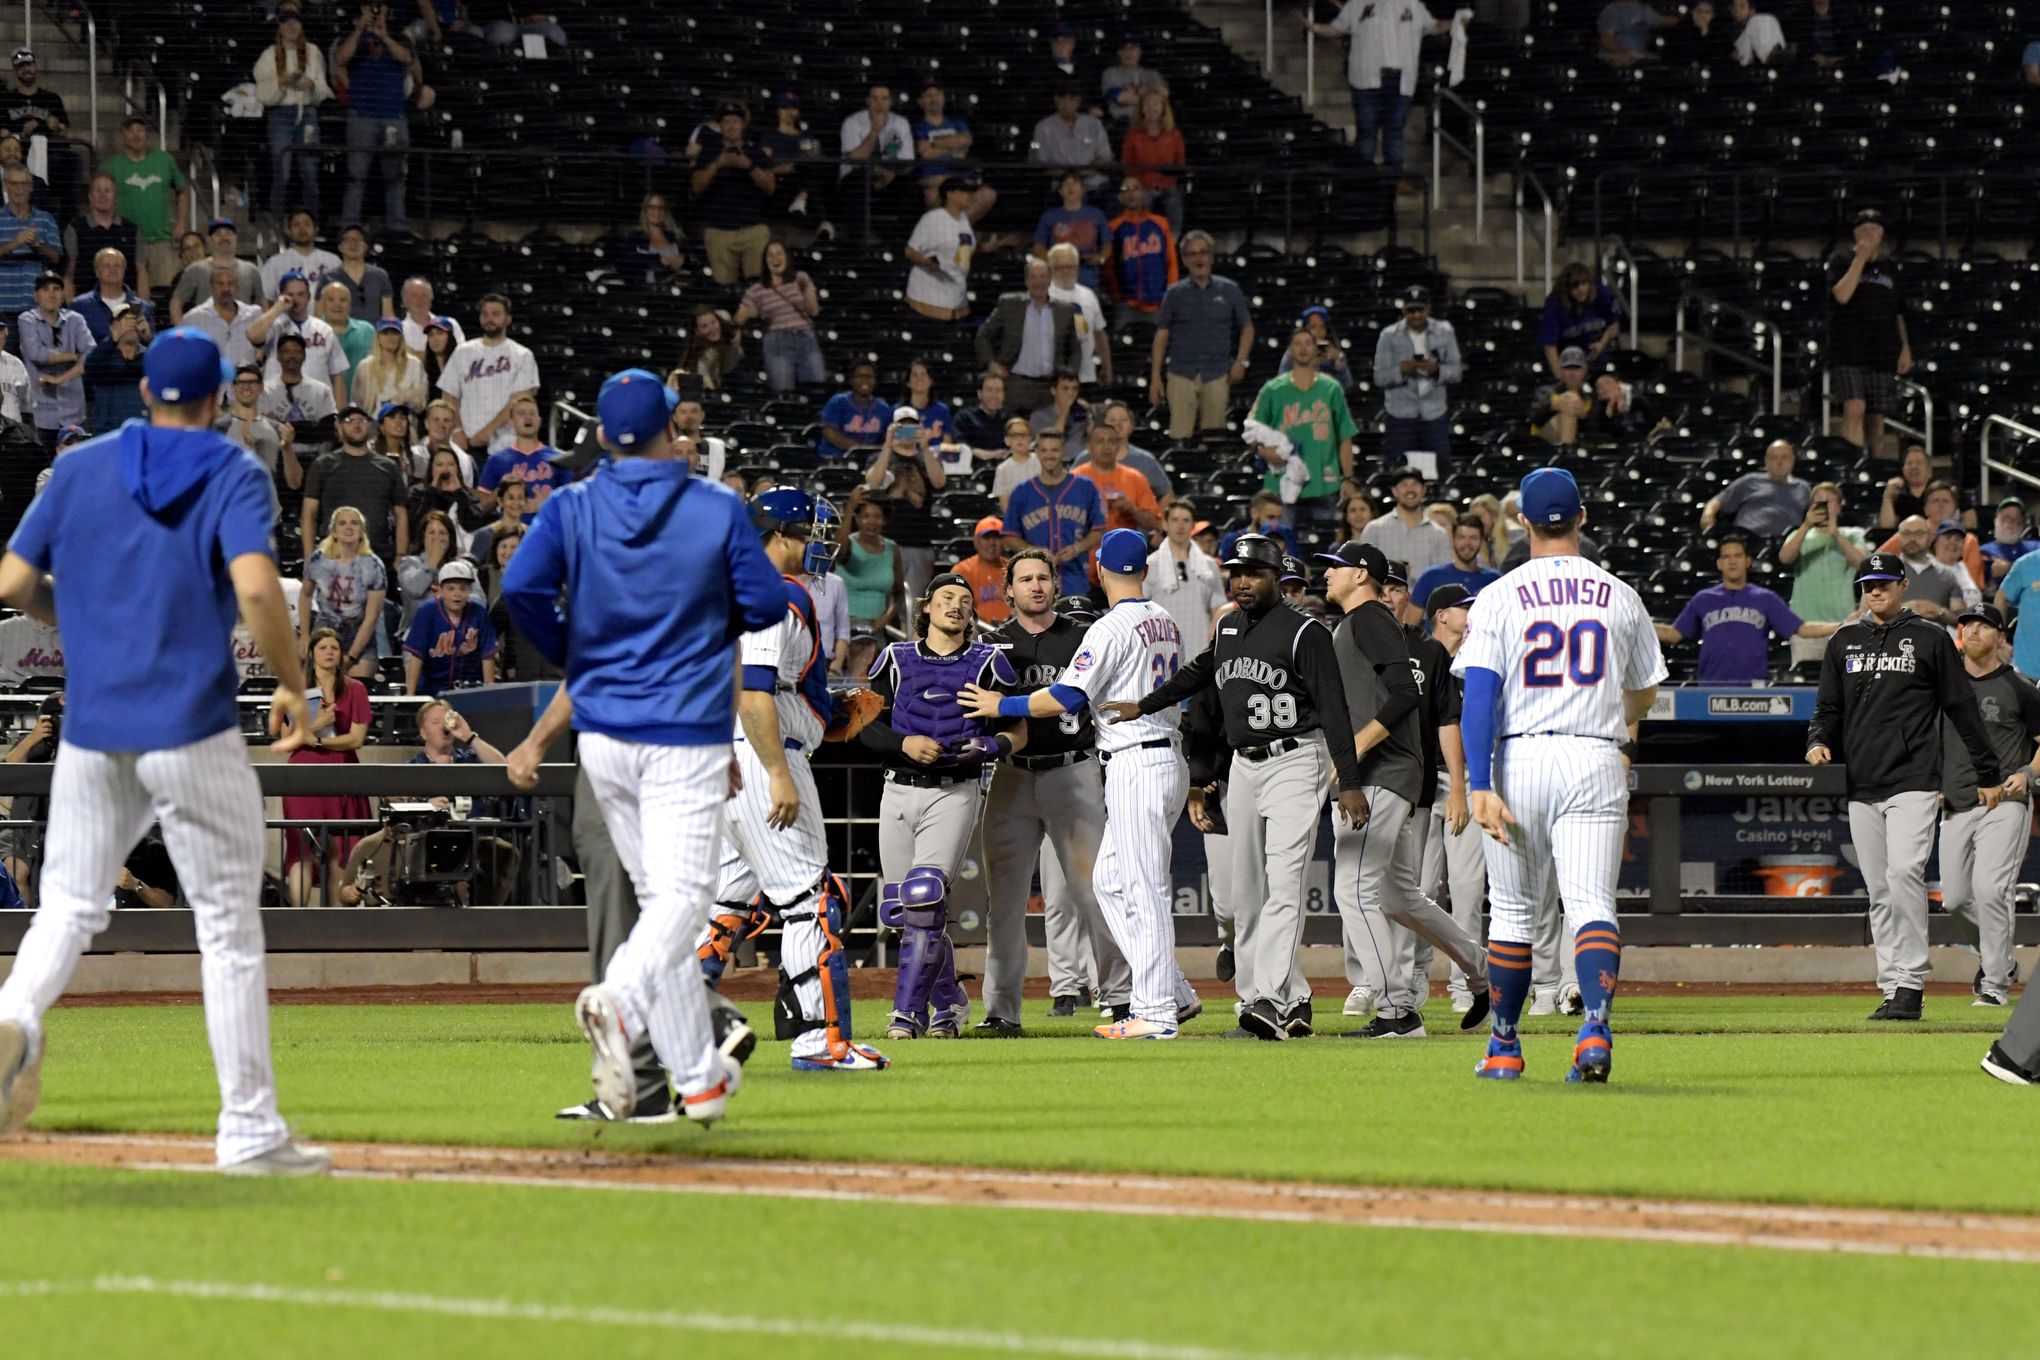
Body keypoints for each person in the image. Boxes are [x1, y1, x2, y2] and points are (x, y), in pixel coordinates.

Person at [0, 326, 327, 1173]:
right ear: (219, 400)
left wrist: (72, 615)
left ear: (144, 392)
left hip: (94, 728)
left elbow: (9, 583)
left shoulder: (76, 468)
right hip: (190, 725)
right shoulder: (233, 469)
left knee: (68, 905)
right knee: (225, 926)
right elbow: (257, 586)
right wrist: (293, 683)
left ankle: (17, 1017)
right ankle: (249, 1129)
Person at [499, 368, 783, 1124]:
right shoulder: (714, 505)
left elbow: (521, 590)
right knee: (685, 901)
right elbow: (763, 601)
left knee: (660, 902)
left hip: (603, 735)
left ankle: (696, 1077)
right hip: (682, 730)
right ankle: (620, 1006)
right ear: (673, 429)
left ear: (598, 437)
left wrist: (577, 653)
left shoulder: (571, 504)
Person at [1453, 468, 1665, 1081]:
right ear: (1582, 518)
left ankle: (1504, 1046)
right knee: (1592, 903)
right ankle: (1594, 1029)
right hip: (1595, 753)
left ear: (1521, 521)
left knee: (1515, 914)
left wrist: (1480, 783)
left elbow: (1479, 698)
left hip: (1519, 757)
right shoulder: (1619, 594)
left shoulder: (1499, 594)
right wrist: (1615, 723)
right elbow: (1644, 693)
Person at [967, 529, 1206, 1038]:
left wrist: (1002, 706)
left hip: (1137, 759)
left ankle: (1155, 1011)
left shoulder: (1109, 628)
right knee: (1108, 883)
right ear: (1143, 568)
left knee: (1142, 889)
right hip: (1154, 755)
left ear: (1098, 569)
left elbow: (1069, 697)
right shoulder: (1163, 618)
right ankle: (1174, 993)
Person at [1135, 534, 1369, 1039]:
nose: (1242, 581)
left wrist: (1348, 782)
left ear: (1276, 579)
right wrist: (1144, 705)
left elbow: (1334, 710)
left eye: (1254, 573)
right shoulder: (1228, 630)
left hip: (1295, 760)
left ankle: (1265, 999)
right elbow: (1198, 674)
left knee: (1284, 886)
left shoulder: (1306, 633)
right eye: (1235, 573)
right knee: (1245, 894)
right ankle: (1290, 997)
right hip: (1244, 766)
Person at [693, 489, 888, 1070]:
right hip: (759, 754)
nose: (816, 544)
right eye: (807, 533)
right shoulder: (772, 594)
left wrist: (821, 714)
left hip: (724, 753)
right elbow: (756, 692)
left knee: (729, 902)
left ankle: (661, 1015)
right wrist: (779, 771)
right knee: (811, 898)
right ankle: (820, 1043)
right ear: (779, 535)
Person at [1306, 539, 1493, 1038]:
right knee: (1398, 896)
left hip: (1383, 773)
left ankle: (1397, 1011)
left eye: (1336, 567)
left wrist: (1359, 751)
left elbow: (1406, 694)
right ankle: (1483, 972)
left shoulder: (1368, 617)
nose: (1326, 574)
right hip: (1391, 773)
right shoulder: (1357, 623)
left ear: (1362, 574)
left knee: (1354, 890)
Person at [1808, 551, 2002, 1021]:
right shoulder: (1845, 640)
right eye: (1867, 584)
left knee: (1903, 875)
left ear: (1902, 585)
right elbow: (1828, 707)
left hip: (1915, 777)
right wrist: (1817, 739)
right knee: (1878, 888)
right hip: (1862, 779)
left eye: (1883, 583)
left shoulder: (1930, 638)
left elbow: (1961, 706)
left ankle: (1911, 982)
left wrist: (1988, 770)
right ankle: (1891, 983)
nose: (1875, 591)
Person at [859, 574, 1025, 1039]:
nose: (957, 605)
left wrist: (989, 748)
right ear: (927, 607)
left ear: (972, 614)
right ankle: (949, 999)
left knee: (924, 897)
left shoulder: (989, 661)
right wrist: (904, 742)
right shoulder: (894, 658)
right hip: (898, 787)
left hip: (955, 788)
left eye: (966, 600)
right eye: (947, 598)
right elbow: (866, 726)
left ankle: (904, 1016)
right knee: (899, 912)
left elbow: (1019, 733)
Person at [977, 549, 1132, 1032]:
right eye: (1025, 579)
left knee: (1095, 892)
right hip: (1012, 774)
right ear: (1009, 591)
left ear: (1056, 586)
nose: (1036, 586)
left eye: (1043, 577)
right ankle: (1001, 1012)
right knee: (1003, 904)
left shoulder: (1084, 636)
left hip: (1073, 772)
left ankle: (1123, 998)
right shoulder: (993, 646)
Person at [1937, 605, 2040, 1010]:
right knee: (1955, 898)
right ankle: (2004, 960)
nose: (1973, 630)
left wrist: (2028, 775)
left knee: (1990, 889)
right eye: (1967, 625)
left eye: (1983, 625)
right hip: (1959, 802)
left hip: (2006, 802)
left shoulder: (2019, 687)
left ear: (2001, 637)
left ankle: (1994, 983)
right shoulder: (1945, 688)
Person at [1656, 535, 1841, 683]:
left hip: (1753, 689)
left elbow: (1801, 628)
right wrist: (1638, 624)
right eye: (1726, 557)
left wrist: (1839, 625)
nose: (1732, 561)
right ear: (1719, 564)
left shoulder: (1765, 598)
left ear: (1747, 561)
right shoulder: (1703, 599)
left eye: (1737, 556)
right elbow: (1673, 634)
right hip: (1711, 686)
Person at [279, 626, 372, 908]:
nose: (329, 652)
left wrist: (314, 740)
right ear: (311, 653)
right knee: (302, 850)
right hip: (303, 776)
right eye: (322, 647)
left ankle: (337, 925)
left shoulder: (355, 689)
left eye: (334, 648)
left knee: (340, 849)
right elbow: (286, 739)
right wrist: (316, 726)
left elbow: (356, 738)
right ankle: (298, 924)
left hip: (341, 772)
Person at [1303, 0, 1450, 177]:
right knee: (1366, 130)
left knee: (1394, 131)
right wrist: (1315, 27)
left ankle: (1392, 182)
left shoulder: (1412, 5)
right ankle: (1365, 182)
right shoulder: (1357, 4)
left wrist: (1455, 22)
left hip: (1401, 79)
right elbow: (1337, 28)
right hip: (1366, 79)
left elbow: (1433, 27)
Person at [1250, 328, 1357, 530]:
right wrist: (1264, 451)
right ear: (1290, 350)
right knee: (1281, 553)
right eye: (1297, 343)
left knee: (1326, 555)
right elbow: (1250, 432)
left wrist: (1348, 478)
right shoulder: (1272, 390)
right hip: (1281, 485)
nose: (1303, 348)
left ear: (1316, 349)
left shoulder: (1332, 389)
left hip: (1325, 484)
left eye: (1308, 343)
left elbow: (1345, 437)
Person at [1151, 231, 1254, 440]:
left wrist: (1241, 362)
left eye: (1203, 252)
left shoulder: (1230, 290)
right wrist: (1155, 377)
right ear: (1184, 259)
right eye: (1192, 254)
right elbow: (1161, 334)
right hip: (1181, 374)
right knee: (1179, 436)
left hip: (1217, 374)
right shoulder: (1174, 293)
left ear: (1211, 256)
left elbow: (1247, 327)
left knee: (1214, 437)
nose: (1199, 259)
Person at [1827, 207, 1910, 454]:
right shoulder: (1841, 261)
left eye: (1875, 229)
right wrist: (1859, 259)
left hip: (1882, 349)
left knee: (1877, 417)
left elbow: (1899, 311)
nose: (1870, 234)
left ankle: (1875, 467)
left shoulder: (1890, 268)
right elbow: (1841, 295)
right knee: (1854, 407)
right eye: (1864, 229)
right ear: (1855, 234)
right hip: (1848, 348)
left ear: (1882, 234)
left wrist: (1905, 347)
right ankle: (1852, 462)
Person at [334, 4, 414, 234]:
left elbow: (406, 58)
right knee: (356, 177)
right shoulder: (354, 38)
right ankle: (350, 227)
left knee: (395, 178)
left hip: (393, 116)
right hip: (362, 116)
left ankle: (397, 229)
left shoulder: (399, 37)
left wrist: (384, 35)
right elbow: (341, 58)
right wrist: (360, 30)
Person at [1002, 429, 1105, 601]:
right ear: (1037, 452)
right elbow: (1008, 537)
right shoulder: (1022, 492)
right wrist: (1035, 552)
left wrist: (1077, 548)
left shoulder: (1085, 487)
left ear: (1063, 452)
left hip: (1076, 580)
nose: (1049, 456)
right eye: (1044, 450)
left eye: (1054, 450)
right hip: (1035, 585)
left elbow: (1099, 530)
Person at [1779, 480, 1870, 665]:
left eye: (1828, 501)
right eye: (1818, 502)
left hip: (1843, 624)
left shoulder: (1852, 534)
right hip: (1805, 627)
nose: (1823, 506)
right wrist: (1805, 526)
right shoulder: (1799, 534)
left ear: (1838, 507)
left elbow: (1862, 564)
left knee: (1845, 685)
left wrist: (1835, 534)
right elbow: (1784, 558)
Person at [254, 2, 331, 217]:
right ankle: (277, 224)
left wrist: (312, 86)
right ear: (279, 26)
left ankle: (312, 222)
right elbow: (263, 95)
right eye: (285, 21)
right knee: (282, 173)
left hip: (307, 114)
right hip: (281, 116)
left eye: (295, 21)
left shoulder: (313, 52)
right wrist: (282, 83)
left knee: (310, 173)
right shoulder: (269, 56)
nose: (291, 26)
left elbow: (324, 88)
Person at [976, 258, 1082, 415]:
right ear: (1026, 281)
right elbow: (982, 336)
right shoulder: (1009, 304)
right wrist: (992, 364)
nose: (1038, 282)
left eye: (1042, 276)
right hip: (1015, 385)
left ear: (1050, 279)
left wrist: (1069, 375)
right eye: (1033, 277)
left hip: (1050, 388)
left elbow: (1075, 348)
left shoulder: (1064, 310)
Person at [438, 293, 538, 454]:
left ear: (508, 319)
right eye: (485, 314)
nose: (489, 318)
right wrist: (457, 430)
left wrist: (486, 432)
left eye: (496, 314)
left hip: (507, 444)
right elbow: (449, 396)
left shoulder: (522, 355)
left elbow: (519, 402)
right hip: (465, 442)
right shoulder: (463, 352)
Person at [1373, 284, 1460, 469]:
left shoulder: (1445, 332)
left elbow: (1456, 371)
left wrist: (1436, 370)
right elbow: (1379, 377)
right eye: (1411, 310)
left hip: (1434, 413)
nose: (1416, 315)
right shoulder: (1388, 336)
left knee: (1440, 469)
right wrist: (1401, 370)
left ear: (1428, 309)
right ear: (1404, 310)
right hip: (1400, 415)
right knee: (1398, 471)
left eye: (1420, 310)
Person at [863, 410, 945, 604]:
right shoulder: (880, 457)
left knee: (914, 606)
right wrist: (888, 446)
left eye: (912, 427)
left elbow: (939, 482)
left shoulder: (928, 457)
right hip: (884, 542)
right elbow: (873, 482)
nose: (907, 433)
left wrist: (925, 448)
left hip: (918, 542)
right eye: (902, 428)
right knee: (880, 601)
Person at [690, 101, 775, 286]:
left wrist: (749, 165)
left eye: (735, 121)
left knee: (757, 285)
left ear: (742, 124)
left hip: (752, 229)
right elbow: (696, 187)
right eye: (726, 122)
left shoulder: (755, 151)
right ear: (720, 125)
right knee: (723, 287)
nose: (731, 126)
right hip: (719, 229)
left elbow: (770, 186)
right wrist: (717, 165)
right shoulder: (709, 152)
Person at [100, 118, 187, 292]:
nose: (136, 135)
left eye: (140, 130)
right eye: (131, 130)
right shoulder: (111, 166)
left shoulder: (164, 160)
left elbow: (182, 190)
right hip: (126, 243)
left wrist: (181, 222)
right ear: (123, 134)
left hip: (161, 240)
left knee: (166, 291)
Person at [301, 504, 387, 680]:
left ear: (362, 530)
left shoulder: (374, 566)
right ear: (333, 530)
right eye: (342, 523)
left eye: (354, 523)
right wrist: (304, 635)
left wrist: (351, 657)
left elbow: (371, 618)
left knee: (358, 687)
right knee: (319, 689)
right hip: (325, 628)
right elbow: (305, 595)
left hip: (359, 631)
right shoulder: (318, 560)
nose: (349, 527)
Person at [734, 240, 823, 393]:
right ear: (765, 261)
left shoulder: (800, 278)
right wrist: (750, 312)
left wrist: (806, 289)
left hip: (805, 338)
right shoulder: (756, 289)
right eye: (770, 255)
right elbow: (738, 319)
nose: (775, 258)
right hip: (777, 342)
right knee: (783, 394)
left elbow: (813, 311)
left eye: (779, 253)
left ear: (786, 257)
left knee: (816, 391)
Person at [19, 271, 91, 450]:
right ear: (36, 296)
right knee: (43, 468)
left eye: (57, 289)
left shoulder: (76, 320)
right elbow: (37, 354)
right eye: (45, 289)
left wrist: (59, 379)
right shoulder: (26, 319)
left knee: (77, 466)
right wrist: (74, 356)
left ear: (63, 294)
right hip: (41, 413)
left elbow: (91, 355)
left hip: (74, 411)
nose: (52, 294)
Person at [250, 272, 349, 401]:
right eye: (290, 295)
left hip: (317, 404)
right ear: (281, 296)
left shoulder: (324, 330)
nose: (295, 299)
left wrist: (340, 414)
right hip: (278, 402)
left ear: (308, 296)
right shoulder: (274, 326)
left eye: (301, 294)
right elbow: (252, 335)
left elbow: (337, 376)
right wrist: (276, 309)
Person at [1148, 499, 1226, 660]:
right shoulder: (1149, 565)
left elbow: (1218, 611)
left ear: (1192, 525)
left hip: (1200, 652)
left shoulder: (1209, 566)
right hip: (1162, 654)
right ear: (1165, 524)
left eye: (1186, 520)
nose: (1180, 526)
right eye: (1175, 520)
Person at [837, 82, 915, 238]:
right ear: (868, 101)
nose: (879, 103)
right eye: (875, 98)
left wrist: (891, 174)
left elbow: (908, 162)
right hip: (857, 176)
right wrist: (875, 130)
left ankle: (900, 239)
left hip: (890, 175)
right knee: (858, 182)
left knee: (911, 186)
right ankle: (858, 238)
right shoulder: (852, 122)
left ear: (890, 102)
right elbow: (855, 159)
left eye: (884, 98)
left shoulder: (900, 123)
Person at [904, 174, 979, 323]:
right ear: (950, 194)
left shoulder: (964, 221)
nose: (969, 195)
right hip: (928, 294)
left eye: (970, 192)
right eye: (964, 191)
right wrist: (932, 264)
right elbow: (910, 252)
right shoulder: (932, 218)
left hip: (955, 296)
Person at [1701, 439, 1811, 538]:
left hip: (1787, 546)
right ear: (1766, 461)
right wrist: (1708, 514)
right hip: (1748, 540)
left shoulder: (1803, 488)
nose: (1779, 462)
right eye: (1774, 458)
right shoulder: (1751, 480)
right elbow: (1716, 502)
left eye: (1784, 458)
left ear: (1792, 461)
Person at [1360, 466, 1453, 584]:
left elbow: (1443, 579)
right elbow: (1363, 573)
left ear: (1424, 490)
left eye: (1415, 484)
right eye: (1404, 484)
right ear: (1394, 491)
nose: (1410, 489)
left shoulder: (1439, 533)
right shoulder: (1374, 529)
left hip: (1424, 601)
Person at [1105, 175, 1178, 324]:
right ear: (1120, 197)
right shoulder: (1113, 227)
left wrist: (1170, 293)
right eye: (1126, 189)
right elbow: (1109, 265)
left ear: (1144, 193)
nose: (1131, 193)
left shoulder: (1160, 223)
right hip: (1127, 304)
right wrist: (1117, 295)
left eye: (1135, 188)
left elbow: (1171, 261)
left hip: (1158, 303)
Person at [1070, 417, 1157, 534]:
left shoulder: (1136, 478)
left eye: (1111, 441)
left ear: (1117, 446)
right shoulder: (1073, 479)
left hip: (1125, 549)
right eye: (1100, 441)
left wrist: (1133, 510)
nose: (1106, 447)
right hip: (1085, 550)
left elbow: (1153, 523)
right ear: (1089, 447)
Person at [1539, 262, 1625, 378]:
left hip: (1597, 357)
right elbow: (1550, 345)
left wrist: (1602, 343)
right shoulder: (1555, 304)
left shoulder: (1602, 294)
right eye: (1575, 286)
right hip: (1567, 359)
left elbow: (1613, 323)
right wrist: (1559, 375)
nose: (1580, 290)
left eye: (1584, 284)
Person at [835, 492, 905, 634]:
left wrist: (887, 617)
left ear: (884, 520)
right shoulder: (847, 544)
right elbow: (839, 553)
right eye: (866, 516)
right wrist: (849, 509)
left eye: (877, 516)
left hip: (877, 626)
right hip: (845, 624)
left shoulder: (892, 549)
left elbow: (899, 593)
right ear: (857, 520)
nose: (872, 521)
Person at [1029, 80, 1114, 197]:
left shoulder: (1094, 125)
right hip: (1061, 187)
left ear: (1078, 101)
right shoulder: (1042, 127)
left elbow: (1105, 156)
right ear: (1056, 100)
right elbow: (1037, 159)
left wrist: (1082, 174)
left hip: (1094, 185)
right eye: (1063, 99)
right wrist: (1065, 176)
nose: (1067, 103)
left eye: (1072, 99)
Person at [168, 217, 261, 324]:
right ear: (210, 240)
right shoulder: (195, 270)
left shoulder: (251, 270)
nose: (223, 237)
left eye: (228, 233)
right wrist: (184, 335)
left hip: (243, 334)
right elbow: (176, 302)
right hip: (207, 333)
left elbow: (262, 304)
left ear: (235, 237)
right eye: (218, 234)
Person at [1032, 170, 1111, 292]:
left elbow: (1107, 245)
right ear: (1060, 191)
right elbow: (1038, 247)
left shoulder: (1097, 215)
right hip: (1057, 280)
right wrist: (1053, 262)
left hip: (1088, 280)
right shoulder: (1049, 216)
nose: (1070, 187)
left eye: (1075, 183)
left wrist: (1099, 258)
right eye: (1066, 184)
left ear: (1083, 189)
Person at [1045, 242, 1112, 384]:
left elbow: (1099, 334)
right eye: (1060, 267)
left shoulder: (1089, 295)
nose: (1066, 271)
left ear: (1077, 268)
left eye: (1070, 267)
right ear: (1050, 269)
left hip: (1086, 376)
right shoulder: (1043, 297)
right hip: (1053, 378)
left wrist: (1107, 367)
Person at [0, 167, 59, 319]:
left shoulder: (46, 220)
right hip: (2, 309)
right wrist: (14, 243)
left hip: (37, 310)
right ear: (6, 186)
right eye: (14, 184)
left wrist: (37, 245)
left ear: (31, 187)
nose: (19, 189)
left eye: (24, 184)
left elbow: (56, 257)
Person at [183, 263, 263, 369]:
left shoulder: (254, 314)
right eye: (220, 284)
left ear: (237, 287)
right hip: (211, 383)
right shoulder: (193, 318)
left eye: (230, 284)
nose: (226, 289)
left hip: (245, 383)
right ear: (211, 288)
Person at [70, 246, 153, 345]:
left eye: (117, 265)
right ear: (97, 272)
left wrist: (147, 336)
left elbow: (153, 346)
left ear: (124, 270)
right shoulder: (79, 306)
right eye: (106, 266)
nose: (112, 269)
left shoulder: (143, 307)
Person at [83, 307, 148, 431]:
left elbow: (169, 369)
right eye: (124, 320)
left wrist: (149, 338)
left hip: (141, 432)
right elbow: (90, 367)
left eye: (135, 320)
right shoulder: (103, 357)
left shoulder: (150, 357)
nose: (131, 325)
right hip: (108, 433)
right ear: (112, 327)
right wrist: (114, 338)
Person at [1413, 517, 1503, 606]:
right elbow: (1411, 620)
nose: (1467, 543)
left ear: (1481, 541)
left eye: (1473, 538)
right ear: (1453, 539)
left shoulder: (1495, 580)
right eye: (1461, 537)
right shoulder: (1431, 576)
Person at [816, 359, 892, 458]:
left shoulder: (883, 408)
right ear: (851, 380)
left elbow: (888, 437)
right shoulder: (838, 402)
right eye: (860, 376)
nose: (865, 380)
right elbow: (829, 432)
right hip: (837, 460)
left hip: (870, 462)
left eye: (869, 376)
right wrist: (860, 449)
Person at [396, 507, 459, 627]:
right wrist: (432, 562)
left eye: (442, 533)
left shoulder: (460, 567)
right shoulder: (408, 563)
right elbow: (414, 589)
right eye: (431, 532)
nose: (437, 538)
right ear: (423, 538)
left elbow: (478, 599)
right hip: (417, 633)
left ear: (450, 539)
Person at [351, 318, 427, 415]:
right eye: (385, 333)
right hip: (373, 425)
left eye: (395, 333)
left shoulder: (414, 365)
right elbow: (357, 402)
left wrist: (404, 398)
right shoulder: (365, 367)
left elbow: (421, 402)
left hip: (404, 424)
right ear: (378, 337)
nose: (390, 338)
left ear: (401, 337)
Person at [953, 516, 1010, 625]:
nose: (992, 543)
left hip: (1011, 629)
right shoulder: (962, 570)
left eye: (997, 537)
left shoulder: (1013, 569)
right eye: (986, 537)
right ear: (976, 541)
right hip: (978, 628)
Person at [1599, 0, 1679, 64]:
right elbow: (1606, 38)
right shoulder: (1613, 9)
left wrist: (1688, 19)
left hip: (1639, 58)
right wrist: (1623, 54)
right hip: (1616, 58)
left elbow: (1664, 20)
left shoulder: (1645, 10)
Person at [1731, 0, 1787, 64]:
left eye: (1742, 6)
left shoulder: (1754, 22)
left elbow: (1744, 60)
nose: (1737, 10)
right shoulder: (1771, 18)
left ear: (1752, 11)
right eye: (1734, 7)